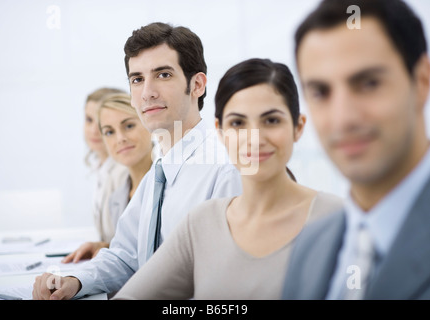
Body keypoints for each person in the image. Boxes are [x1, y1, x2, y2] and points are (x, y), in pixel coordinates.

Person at [32, 22, 242, 300]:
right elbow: (127, 256)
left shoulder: (225, 169)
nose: (147, 92)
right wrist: (74, 280)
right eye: (137, 79)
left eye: (163, 74)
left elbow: (225, 287)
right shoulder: (161, 170)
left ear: (197, 85)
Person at [112, 58, 343, 300]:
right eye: (238, 123)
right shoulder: (202, 222)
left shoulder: (337, 220)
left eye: (271, 120)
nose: (254, 138)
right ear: (220, 132)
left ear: (298, 126)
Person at [281, 0, 430, 300]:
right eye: (321, 92)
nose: (343, 119)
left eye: (369, 83)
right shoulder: (308, 248)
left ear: (422, 81)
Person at [63, 93, 153, 263]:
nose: (120, 139)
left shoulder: (168, 185)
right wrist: (106, 247)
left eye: (129, 126)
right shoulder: (119, 196)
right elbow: (128, 251)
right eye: (109, 132)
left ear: (149, 124)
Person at [83, 87, 129, 246]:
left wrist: (106, 247)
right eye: (89, 120)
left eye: (100, 122)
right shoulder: (101, 167)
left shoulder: (124, 171)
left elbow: (131, 242)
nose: (94, 130)